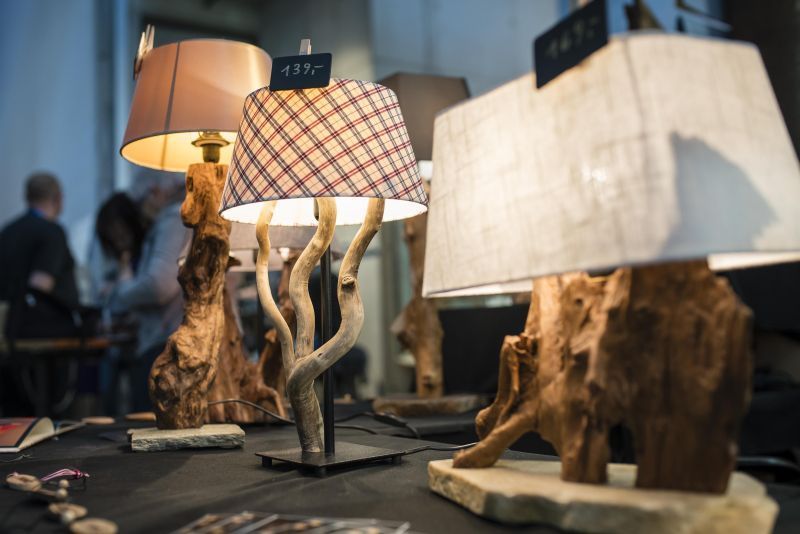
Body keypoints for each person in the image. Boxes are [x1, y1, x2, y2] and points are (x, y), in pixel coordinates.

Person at [105, 171, 190, 411]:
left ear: (154, 192)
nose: (141, 214)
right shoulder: (179, 219)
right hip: (170, 344)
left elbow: (158, 285)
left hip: (164, 347)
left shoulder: (173, 219)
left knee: (152, 424)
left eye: (140, 203)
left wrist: (119, 294)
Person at [0, 172, 80, 338]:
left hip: (9, 327)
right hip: (46, 333)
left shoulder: (7, 231)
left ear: (27, 197)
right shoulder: (52, 232)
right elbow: (40, 285)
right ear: (58, 198)